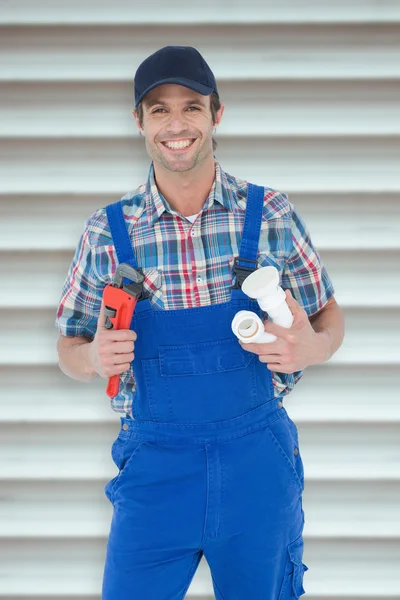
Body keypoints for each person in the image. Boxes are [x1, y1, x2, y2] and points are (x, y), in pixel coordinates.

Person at [56, 45, 344, 600]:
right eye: (159, 109)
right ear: (138, 121)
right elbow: (69, 344)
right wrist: (91, 359)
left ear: (217, 113)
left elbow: (328, 313)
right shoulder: (107, 232)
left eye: (192, 105)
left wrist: (315, 348)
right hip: (154, 473)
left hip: (256, 465)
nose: (176, 124)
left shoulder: (269, 214)